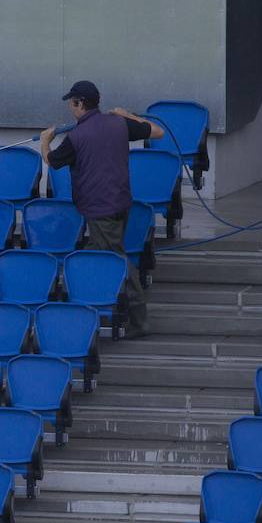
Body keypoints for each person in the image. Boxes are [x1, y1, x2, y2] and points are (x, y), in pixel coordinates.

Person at [41, 80, 165, 338]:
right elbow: (157, 132)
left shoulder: (76, 137)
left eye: (71, 103)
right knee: (91, 256)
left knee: (115, 258)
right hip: (120, 202)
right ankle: (86, 310)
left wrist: (45, 140)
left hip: (100, 209)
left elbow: (52, 161)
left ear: (80, 103)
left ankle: (138, 319)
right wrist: (126, 115)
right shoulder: (118, 124)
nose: (70, 108)